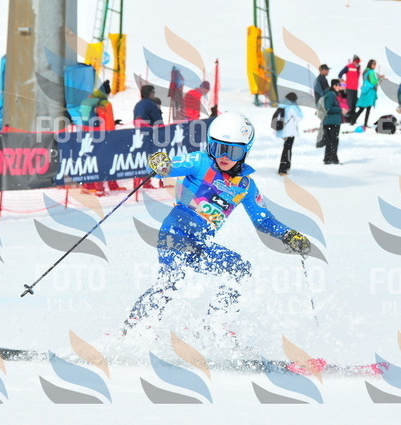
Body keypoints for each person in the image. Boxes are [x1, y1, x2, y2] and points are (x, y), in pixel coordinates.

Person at [122, 112, 311, 336]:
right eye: (218, 148)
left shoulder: (245, 186)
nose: (224, 156)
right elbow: (167, 167)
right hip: (176, 232)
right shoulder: (200, 162)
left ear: (245, 151)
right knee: (171, 280)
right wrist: (159, 163)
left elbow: (263, 220)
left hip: (200, 244)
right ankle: (133, 328)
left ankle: (214, 326)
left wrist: (288, 235)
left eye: (233, 151)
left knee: (239, 269)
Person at [79, 80, 126, 196]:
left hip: (88, 137)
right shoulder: (105, 104)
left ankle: (88, 186)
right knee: (107, 162)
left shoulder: (87, 102)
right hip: (103, 138)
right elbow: (107, 124)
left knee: (91, 162)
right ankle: (104, 188)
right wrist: (112, 137)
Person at [133, 85, 163, 189]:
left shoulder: (138, 104)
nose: (154, 94)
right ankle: (147, 182)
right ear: (150, 93)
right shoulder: (151, 104)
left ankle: (137, 181)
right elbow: (158, 120)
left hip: (138, 134)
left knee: (139, 157)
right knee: (149, 157)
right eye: (153, 92)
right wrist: (163, 130)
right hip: (150, 134)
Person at [276, 92, 304, 176]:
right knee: (287, 149)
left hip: (283, 131)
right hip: (290, 131)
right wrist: (297, 107)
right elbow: (300, 117)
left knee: (286, 148)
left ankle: (286, 166)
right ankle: (283, 169)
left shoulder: (282, 105)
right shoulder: (292, 107)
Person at [352, 59, 383, 128]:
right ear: (370, 64)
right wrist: (379, 79)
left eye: (375, 64)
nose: (374, 66)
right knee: (368, 108)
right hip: (370, 91)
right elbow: (373, 82)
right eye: (373, 64)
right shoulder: (371, 72)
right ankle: (365, 123)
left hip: (364, 90)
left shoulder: (365, 71)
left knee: (361, 108)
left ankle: (353, 121)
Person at [322, 79, 343, 164]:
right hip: (332, 121)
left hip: (329, 121)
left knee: (330, 141)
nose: (340, 87)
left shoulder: (329, 93)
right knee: (333, 140)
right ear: (334, 86)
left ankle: (328, 159)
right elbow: (328, 108)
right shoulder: (331, 94)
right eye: (339, 85)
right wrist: (340, 109)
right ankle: (333, 159)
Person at [338, 55, 361, 124]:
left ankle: (353, 119)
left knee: (354, 103)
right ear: (353, 61)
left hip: (355, 88)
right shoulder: (348, 67)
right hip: (349, 88)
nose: (357, 63)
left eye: (358, 61)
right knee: (349, 104)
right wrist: (343, 83)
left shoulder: (358, 68)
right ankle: (348, 118)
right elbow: (340, 74)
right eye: (356, 61)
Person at [314, 64, 330, 147]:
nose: (328, 71)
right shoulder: (319, 79)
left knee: (325, 122)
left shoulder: (323, 79)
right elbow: (321, 93)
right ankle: (320, 141)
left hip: (323, 102)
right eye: (326, 70)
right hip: (321, 103)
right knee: (323, 122)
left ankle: (323, 140)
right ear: (322, 70)